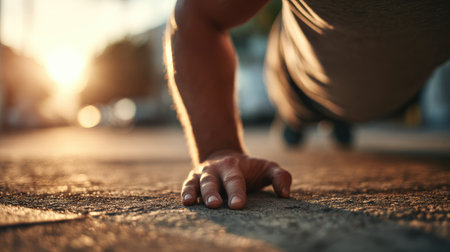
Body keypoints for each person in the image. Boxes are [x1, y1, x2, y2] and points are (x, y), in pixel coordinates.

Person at [163, 0, 450, 210]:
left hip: (403, 90)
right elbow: (197, 12)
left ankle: (339, 118)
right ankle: (295, 121)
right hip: (299, 84)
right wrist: (219, 149)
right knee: (299, 114)